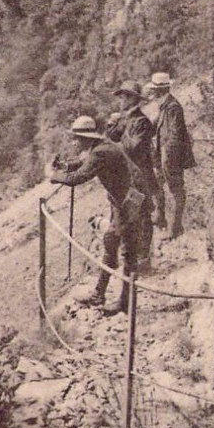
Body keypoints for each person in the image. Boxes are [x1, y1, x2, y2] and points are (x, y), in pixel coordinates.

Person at [48, 115, 144, 314]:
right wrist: (64, 166)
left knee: (126, 254)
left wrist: (54, 176)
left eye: (77, 138)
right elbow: (83, 164)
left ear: (87, 138)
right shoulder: (102, 147)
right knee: (111, 244)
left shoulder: (101, 152)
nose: (75, 142)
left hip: (129, 206)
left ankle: (124, 302)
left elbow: (78, 177)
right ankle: (100, 294)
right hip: (124, 203)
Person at [106, 80, 160, 272]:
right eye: (121, 97)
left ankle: (143, 259)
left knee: (142, 217)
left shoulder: (142, 122)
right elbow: (111, 138)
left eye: (125, 97)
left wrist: (122, 134)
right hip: (127, 179)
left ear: (134, 99)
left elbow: (134, 149)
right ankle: (130, 260)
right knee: (126, 217)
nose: (121, 100)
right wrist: (112, 124)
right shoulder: (127, 119)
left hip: (141, 179)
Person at [148, 72, 196, 239]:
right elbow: (154, 126)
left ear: (160, 91)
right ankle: (160, 218)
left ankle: (175, 228)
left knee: (176, 189)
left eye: (154, 91)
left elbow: (175, 135)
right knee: (157, 184)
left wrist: (167, 157)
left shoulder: (173, 107)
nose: (152, 94)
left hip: (171, 156)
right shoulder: (164, 106)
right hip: (163, 154)